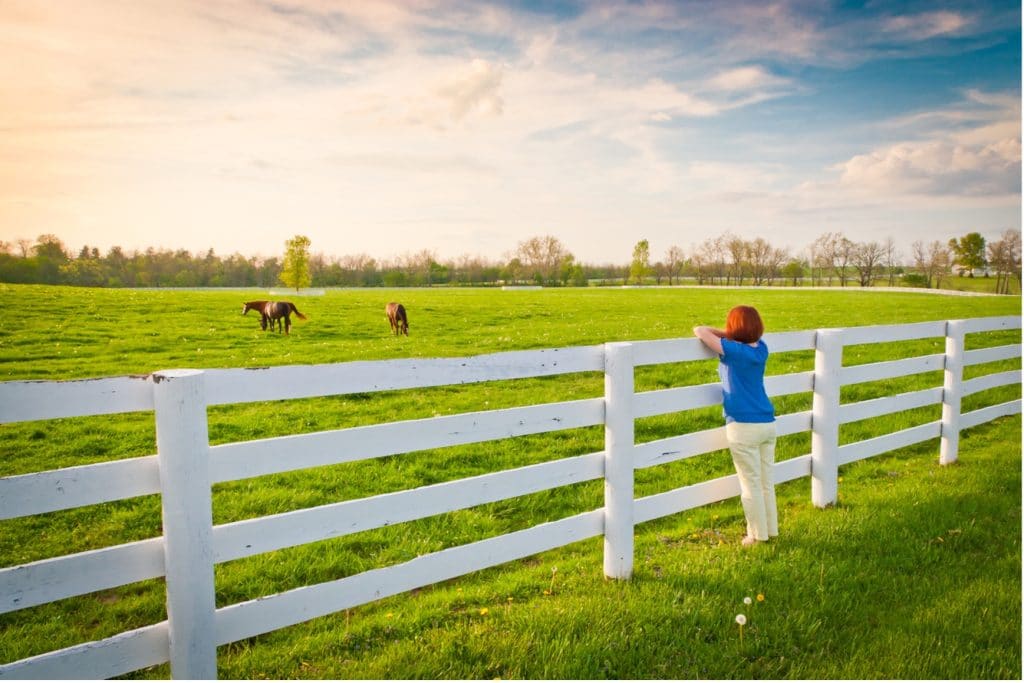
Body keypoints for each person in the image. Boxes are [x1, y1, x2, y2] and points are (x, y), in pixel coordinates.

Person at [693, 306, 777, 547]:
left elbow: (700, 330)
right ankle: (770, 530)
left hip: (743, 425)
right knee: (765, 482)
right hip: (767, 423)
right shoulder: (761, 349)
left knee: (750, 484)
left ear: (734, 328)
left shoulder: (733, 350)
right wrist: (736, 333)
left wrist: (727, 333)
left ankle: (756, 536)